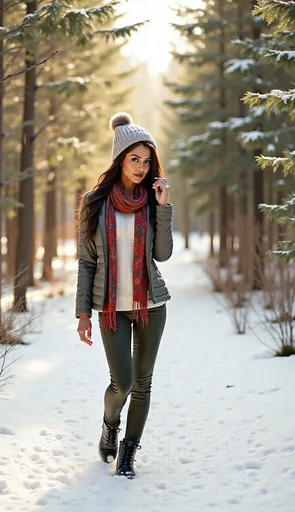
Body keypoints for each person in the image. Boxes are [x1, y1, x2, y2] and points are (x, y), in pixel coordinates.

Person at [75, 112, 173, 478]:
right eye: (135, 159)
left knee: (144, 384)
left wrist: (163, 207)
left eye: (147, 162)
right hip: (111, 308)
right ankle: (110, 424)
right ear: (120, 159)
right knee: (123, 383)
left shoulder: (152, 200)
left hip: (151, 306)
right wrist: (83, 314)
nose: (142, 168)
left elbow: (162, 254)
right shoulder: (95, 202)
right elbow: (87, 262)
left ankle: (128, 453)